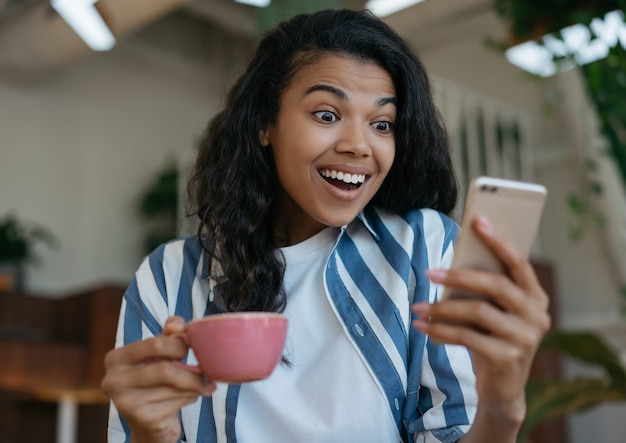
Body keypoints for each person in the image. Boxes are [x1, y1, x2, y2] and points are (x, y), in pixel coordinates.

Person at [101, 8, 550, 443]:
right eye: (327, 115)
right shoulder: (168, 278)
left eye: (382, 123)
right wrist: (147, 437)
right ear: (264, 123)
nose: (358, 145)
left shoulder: (424, 248)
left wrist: (502, 408)